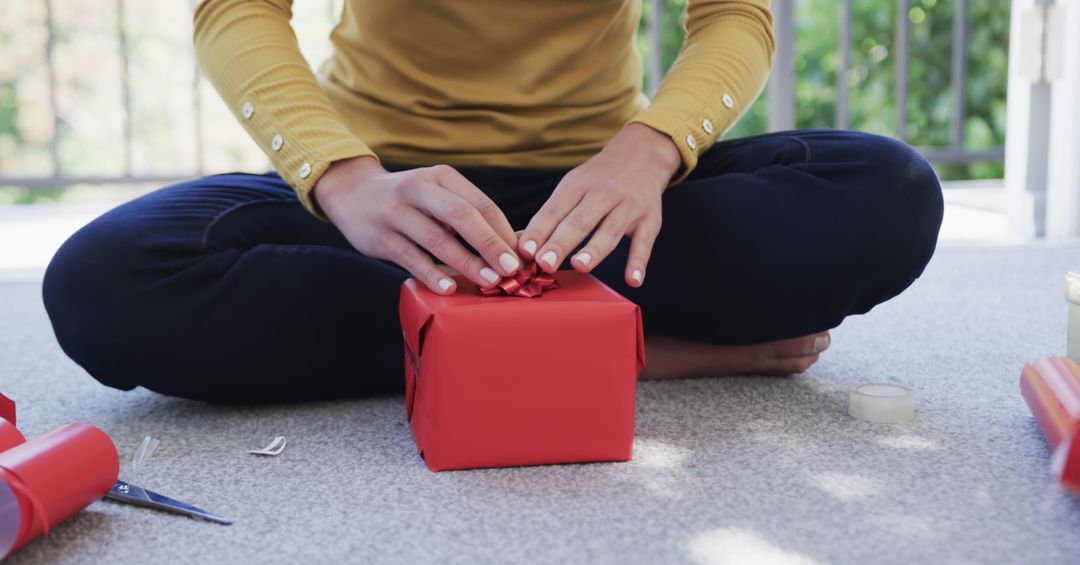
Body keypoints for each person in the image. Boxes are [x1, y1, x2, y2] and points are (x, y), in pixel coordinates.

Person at [41, 0, 943, 404]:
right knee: (102, 285)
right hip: (389, 201)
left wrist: (651, 150)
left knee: (889, 192)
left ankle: (479, 335)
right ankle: (626, 350)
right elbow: (238, 7)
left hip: (589, 204)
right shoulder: (362, 189)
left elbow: (733, 14)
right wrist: (345, 181)